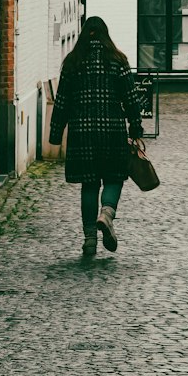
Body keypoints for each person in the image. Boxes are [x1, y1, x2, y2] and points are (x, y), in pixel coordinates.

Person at [48, 15, 144, 256]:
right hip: (112, 130)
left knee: (89, 184)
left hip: (82, 133)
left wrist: (56, 134)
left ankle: (90, 238)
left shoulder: (72, 62)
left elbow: (62, 102)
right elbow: (131, 98)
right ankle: (107, 213)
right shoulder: (118, 60)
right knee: (114, 177)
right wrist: (136, 128)